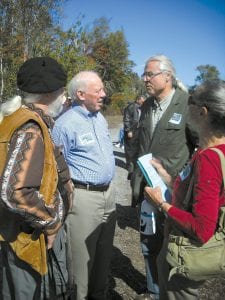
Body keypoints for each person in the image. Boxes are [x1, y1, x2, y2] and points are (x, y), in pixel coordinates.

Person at [0, 57, 74, 299]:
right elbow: (15, 193)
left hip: (25, 237)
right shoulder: (29, 127)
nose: (65, 97)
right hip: (25, 242)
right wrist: (51, 222)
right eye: (63, 91)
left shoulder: (17, 118)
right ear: (49, 95)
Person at [144, 79, 225, 299]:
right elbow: (198, 194)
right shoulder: (209, 150)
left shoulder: (210, 159)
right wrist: (167, 176)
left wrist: (161, 203)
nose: (185, 106)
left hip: (185, 258)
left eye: (190, 102)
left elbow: (201, 228)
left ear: (203, 112)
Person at [131, 55, 197, 300]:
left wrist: (182, 180)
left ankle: (171, 293)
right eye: (144, 75)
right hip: (148, 191)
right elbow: (140, 144)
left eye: (150, 74)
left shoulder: (187, 104)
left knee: (172, 247)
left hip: (174, 192)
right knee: (148, 242)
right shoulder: (146, 105)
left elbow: (201, 148)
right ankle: (153, 290)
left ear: (167, 76)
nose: (145, 79)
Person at [52, 71, 116, 300]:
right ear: (80, 94)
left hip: (108, 195)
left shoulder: (100, 118)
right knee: (80, 263)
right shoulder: (65, 124)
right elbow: (55, 168)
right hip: (83, 198)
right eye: (98, 90)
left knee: (103, 255)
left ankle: (100, 295)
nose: (104, 94)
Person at [123, 95, 145, 178]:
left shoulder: (141, 107)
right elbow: (126, 119)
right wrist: (128, 130)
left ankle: (134, 166)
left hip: (138, 131)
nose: (143, 103)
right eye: (142, 101)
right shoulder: (131, 107)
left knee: (136, 148)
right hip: (131, 131)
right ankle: (129, 166)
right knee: (129, 149)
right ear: (138, 100)